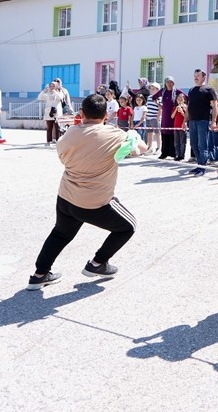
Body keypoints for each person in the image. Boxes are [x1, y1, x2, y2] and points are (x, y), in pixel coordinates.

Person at [26, 94, 145, 290]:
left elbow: (62, 157)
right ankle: (98, 263)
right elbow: (143, 148)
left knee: (60, 234)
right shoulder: (114, 134)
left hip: (66, 197)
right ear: (106, 115)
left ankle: (39, 274)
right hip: (95, 203)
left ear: (81, 113)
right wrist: (132, 135)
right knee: (128, 227)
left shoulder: (70, 133)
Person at [186, 69, 218, 176]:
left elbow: (215, 107)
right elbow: (188, 106)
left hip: (203, 121)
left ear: (204, 77)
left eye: (198, 75)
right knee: (193, 144)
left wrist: (213, 121)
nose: (196, 77)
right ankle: (200, 165)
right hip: (192, 121)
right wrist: (185, 120)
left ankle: (202, 168)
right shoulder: (191, 90)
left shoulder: (209, 89)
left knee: (202, 145)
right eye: (194, 75)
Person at [158, 77, 181, 160]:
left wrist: (180, 105)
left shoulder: (176, 91)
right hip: (165, 116)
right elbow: (153, 97)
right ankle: (164, 153)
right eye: (168, 82)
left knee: (173, 135)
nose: (169, 84)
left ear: (173, 83)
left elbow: (185, 97)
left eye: (171, 82)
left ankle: (173, 153)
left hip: (173, 116)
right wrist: (159, 105)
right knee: (164, 134)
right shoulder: (163, 91)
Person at [37, 81, 66, 147]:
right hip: (49, 112)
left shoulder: (59, 92)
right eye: (51, 86)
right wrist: (44, 91)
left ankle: (58, 141)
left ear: (56, 86)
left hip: (57, 113)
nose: (52, 87)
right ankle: (48, 141)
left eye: (53, 86)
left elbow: (60, 98)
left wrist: (55, 91)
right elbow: (39, 98)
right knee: (49, 128)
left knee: (57, 128)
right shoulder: (47, 94)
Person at [171, 92, 188, 161]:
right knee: (176, 142)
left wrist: (182, 111)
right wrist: (176, 109)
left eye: (181, 99)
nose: (180, 101)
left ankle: (182, 155)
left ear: (184, 100)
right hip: (176, 127)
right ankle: (177, 154)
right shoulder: (175, 107)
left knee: (182, 142)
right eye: (178, 99)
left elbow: (187, 117)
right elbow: (172, 116)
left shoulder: (186, 107)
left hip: (182, 127)